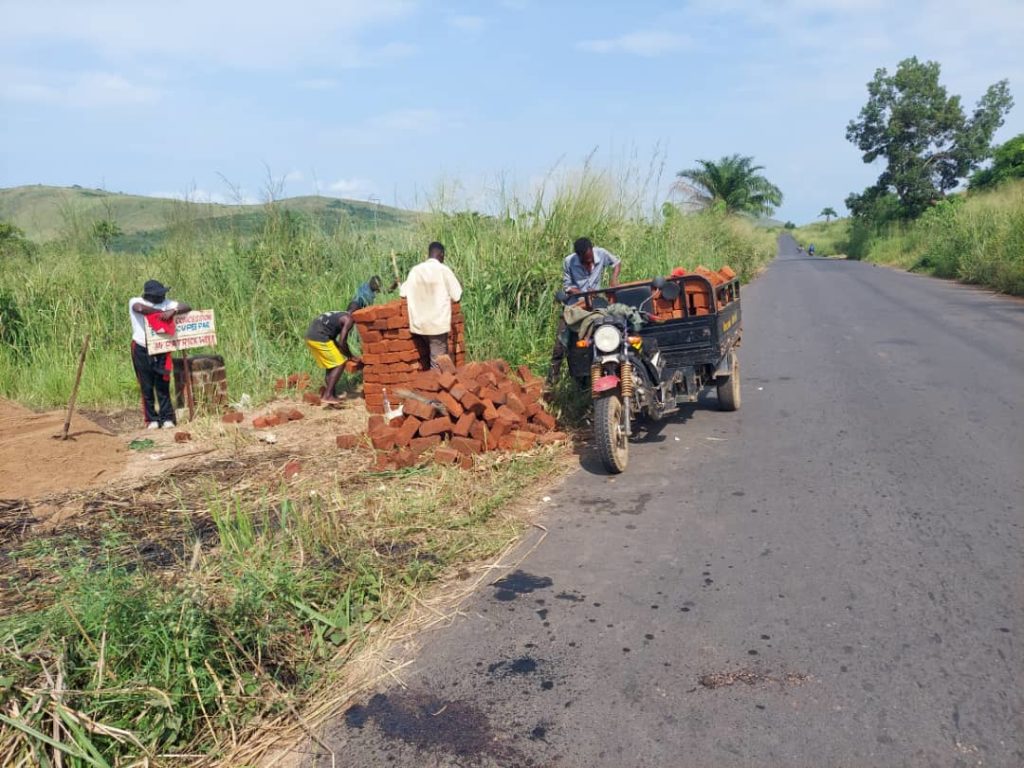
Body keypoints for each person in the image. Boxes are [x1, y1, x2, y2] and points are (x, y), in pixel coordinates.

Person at [547, 237, 622, 386]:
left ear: (592, 251)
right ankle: (552, 381)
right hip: (576, 305)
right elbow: (568, 287)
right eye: (585, 262)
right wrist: (582, 293)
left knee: (612, 329)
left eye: (591, 261)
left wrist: (614, 278)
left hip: (596, 303)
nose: (589, 265)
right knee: (561, 342)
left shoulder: (601, 253)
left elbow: (617, 263)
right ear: (578, 257)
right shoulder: (569, 262)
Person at [129, 279, 191, 429]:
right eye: (159, 295)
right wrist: (162, 313)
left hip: (161, 348)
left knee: (163, 384)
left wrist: (173, 311)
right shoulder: (135, 301)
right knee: (146, 385)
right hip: (141, 347)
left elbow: (186, 306)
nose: (162, 297)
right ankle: (151, 419)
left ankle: (167, 417)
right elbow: (140, 309)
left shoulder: (167, 303)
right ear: (149, 295)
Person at [400, 241, 463, 370]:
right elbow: (457, 296)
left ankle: (431, 378)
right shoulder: (443, 270)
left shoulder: (415, 271)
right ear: (441, 254)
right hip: (436, 325)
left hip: (419, 325)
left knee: (431, 356)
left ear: (428, 254)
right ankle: (435, 381)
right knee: (437, 363)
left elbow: (403, 293)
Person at [305, 310, 360, 404]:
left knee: (331, 365)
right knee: (340, 364)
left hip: (310, 337)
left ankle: (332, 395)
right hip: (320, 337)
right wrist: (350, 356)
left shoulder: (339, 315)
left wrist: (345, 353)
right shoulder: (349, 319)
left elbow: (334, 340)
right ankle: (328, 395)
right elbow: (342, 341)